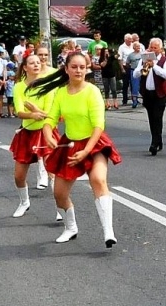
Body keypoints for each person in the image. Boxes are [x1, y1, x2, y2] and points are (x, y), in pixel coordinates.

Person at [33, 52, 121, 247]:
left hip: (94, 143)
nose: (78, 70)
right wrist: (47, 134)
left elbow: (99, 125)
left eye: (82, 67)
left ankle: (108, 232)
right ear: (66, 69)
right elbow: (50, 119)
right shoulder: (61, 93)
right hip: (71, 143)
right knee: (59, 194)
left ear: (87, 69)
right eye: (74, 67)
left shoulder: (92, 91)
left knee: (98, 179)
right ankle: (70, 227)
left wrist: (87, 151)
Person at [8, 53, 58, 217]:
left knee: (52, 173)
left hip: (46, 131)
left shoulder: (48, 86)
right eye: (32, 63)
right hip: (26, 133)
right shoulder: (18, 87)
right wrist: (31, 115)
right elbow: (19, 111)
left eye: (38, 62)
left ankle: (61, 208)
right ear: (25, 67)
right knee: (19, 176)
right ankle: (24, 202)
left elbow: (51, 113)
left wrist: (36, 110)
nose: (37, 65)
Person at [137, 38, 166, 155]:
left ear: (160, 49)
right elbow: (135, 73)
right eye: (151, 47)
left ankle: (154, 143)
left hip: (159, 94)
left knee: (157, 118)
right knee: (152, 119)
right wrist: (143, 66)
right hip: (147, 93)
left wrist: (154, 66)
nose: (152, 50)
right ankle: (158, 140)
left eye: (155, 48)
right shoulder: (143, 59)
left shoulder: (165, 60)